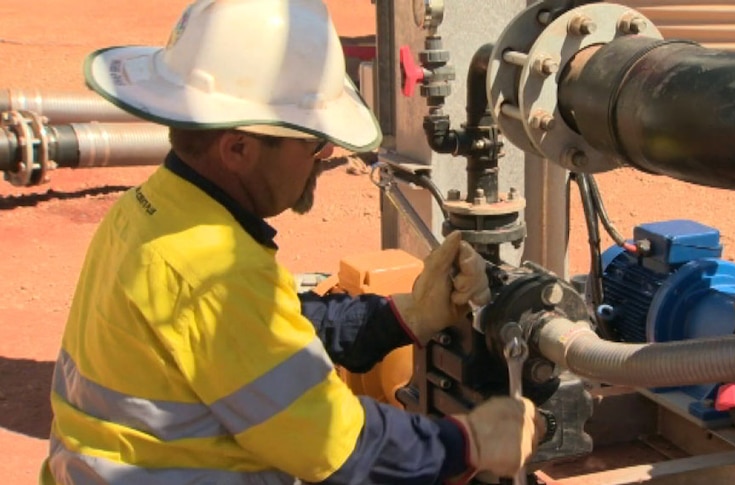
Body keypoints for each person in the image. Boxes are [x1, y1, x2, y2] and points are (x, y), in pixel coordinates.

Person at [40, 0, 542, 484]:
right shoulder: (212, 271)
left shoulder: (149, 215)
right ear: (238, 148)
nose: (325, 154)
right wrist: (471, 441)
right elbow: (343, 451)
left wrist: (406, 315)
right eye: (312, 139)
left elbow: (273, 332)